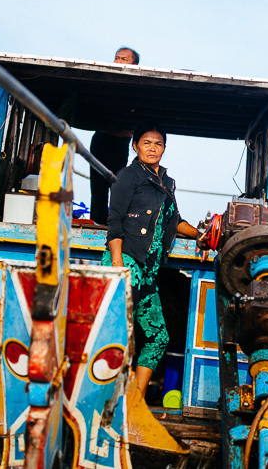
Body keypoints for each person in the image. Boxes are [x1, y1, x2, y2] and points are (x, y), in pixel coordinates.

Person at [103, 122, 200, 397]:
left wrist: (201, 235)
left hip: (148, 271)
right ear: (135, 146)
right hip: (127, 264)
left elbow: (176, 221)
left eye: (158, 144)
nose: (152, 148)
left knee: (158, 338)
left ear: (164, 149)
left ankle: (135, 400)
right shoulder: (127, 177)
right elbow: (114, 221)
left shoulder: (166, 183)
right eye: (147, 143)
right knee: (114, 332)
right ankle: (101, 395)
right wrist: (118, 263)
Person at [88, 47, 140, 224]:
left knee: (117, 183)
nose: (118, 62)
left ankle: (116, 223)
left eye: (124, 59)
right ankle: (97, 220)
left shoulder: (138, 84)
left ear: (134, 64)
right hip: (100, 137)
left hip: (120, 141)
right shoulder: (106, 79)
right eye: (116, 58)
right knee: (97, 184)